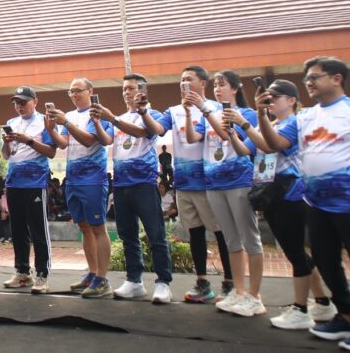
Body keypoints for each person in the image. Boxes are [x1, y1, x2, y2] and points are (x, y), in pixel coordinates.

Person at [259, 56, 350, 351]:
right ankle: (344, 316)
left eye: (315, 77)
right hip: (316, 204)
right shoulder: (305, 118)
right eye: (306, 79)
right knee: (325, 260)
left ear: (337, 79)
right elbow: (274, 144)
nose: (309, 83)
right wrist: (261, 114)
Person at [236, 79, 336, 330]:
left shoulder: (294, 123)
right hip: (271, 194)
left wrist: (249, 122)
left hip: (290, 194)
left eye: (275, 97)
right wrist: (228, 131)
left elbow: (269, 144)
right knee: (295, 252)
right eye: (267, 98)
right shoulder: (270, 124)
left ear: (292, 100)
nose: (269, 102)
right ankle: (322, 302)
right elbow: (243, 149)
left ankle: (301, 310)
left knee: (295, 252)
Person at [147, 65, 233, 304]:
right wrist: (144, 112)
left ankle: (230, 282)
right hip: (184, 183)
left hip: (209, 182)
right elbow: (157, 129)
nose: (183, 83)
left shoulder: (215, 108)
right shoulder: (174, 111)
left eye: (189, 79)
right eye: (181, 79)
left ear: (203, 83)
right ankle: (202, 283)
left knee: (220, 233)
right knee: (195, 233)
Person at [91, 73, 173, 304]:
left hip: (144, 183)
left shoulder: (152, 114)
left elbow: (145, 132)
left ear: (142, 91)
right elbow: (107, 141)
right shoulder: (120, 117)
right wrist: (97, 122)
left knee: (156, 234)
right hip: (121, 183)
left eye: (131, 88)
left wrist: (112, 118)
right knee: (128, 235)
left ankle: (163, 282)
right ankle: (134, 281)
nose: (126, 92)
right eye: (124, 89)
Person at [198, 70, 264, 317]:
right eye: (215, 85)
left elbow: (233, 141)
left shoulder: (247, 115)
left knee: (250, 238)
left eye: (222, 84)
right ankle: (238, 290)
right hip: (214, 182)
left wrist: (206, 111)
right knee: (231, 240)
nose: (217, 89)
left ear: (235, 88)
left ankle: (254, 296)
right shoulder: (209, 115)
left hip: (239, 181)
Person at [48, 77, 114, 298]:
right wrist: (51, 129)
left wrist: (66, 123)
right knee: (84, 228)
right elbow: (63, 143)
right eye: (71, 91)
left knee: (98, 228)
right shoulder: (70, 115)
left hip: (93, 179)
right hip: (73, 179)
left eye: (78, 90)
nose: (74, 95)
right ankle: (92, 273)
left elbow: (89, 141)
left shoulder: (97, 113)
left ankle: (102, 279)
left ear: (90, 91)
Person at [1, 86, 60, 294]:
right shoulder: (12, 122)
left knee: (38, 230)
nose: (19, 106)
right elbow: (6, 155)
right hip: (14, 183)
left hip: (35, 183)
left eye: (23, 102)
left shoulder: (45, 121)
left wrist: (28, 140)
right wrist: (6, 143)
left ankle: (42, 274)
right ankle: (22, 272)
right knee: (17, 231)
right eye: (16, 103)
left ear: (34, 101)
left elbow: (51, 152)